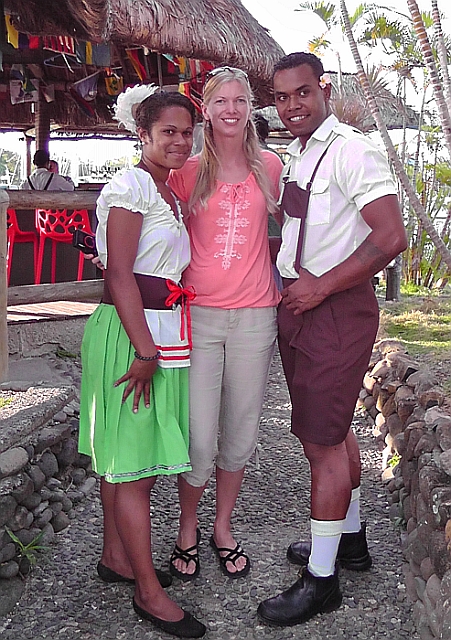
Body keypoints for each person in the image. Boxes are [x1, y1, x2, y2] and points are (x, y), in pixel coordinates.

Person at [257, 52, 407, 626]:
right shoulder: (303, 153)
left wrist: (320, 288)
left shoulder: (351, 150)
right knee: (333, 428)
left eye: (301, 92)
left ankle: (322, 581)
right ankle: (351, 540)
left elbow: (391, 234)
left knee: (320, 445)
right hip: (302, 305)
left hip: (334, 309)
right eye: (281, 96)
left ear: (323, 89)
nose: (291, 104)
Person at [78, 86, 206, 639]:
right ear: (144, 134)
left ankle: (117, 556)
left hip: (160, 331)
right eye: (168, 132)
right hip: (135, 336)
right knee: (137, 466)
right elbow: (120, 275)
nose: (179, 141)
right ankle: (148, 594)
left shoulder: (166, 190)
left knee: (132, 458)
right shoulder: (130, 186)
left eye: (185, 132)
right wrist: (146, 351)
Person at [167, 67, 283, 581]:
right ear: (206, 109)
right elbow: (158, 232)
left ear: (250, 107)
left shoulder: (272, 168)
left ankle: (223, 525)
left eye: (240, 100)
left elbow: (302, 228)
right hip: (199, 315)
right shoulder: (185, 173)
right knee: (197, 437)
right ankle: (187, 525)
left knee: (240, 432)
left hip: (257, 316)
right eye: (221, 101)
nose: (231, 110)